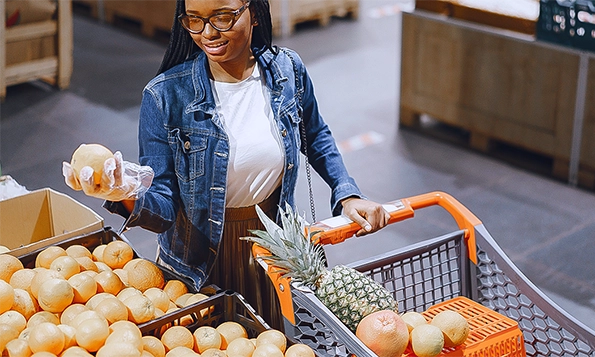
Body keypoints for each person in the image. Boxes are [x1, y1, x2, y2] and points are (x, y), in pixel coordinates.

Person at [62, 0, 390, 330]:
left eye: (222, 17)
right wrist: (124, 191)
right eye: (194, 20)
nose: (208, 33)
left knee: (277, 344)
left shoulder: (288, 71)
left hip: (273, 254)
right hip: (198, 266)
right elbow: (163, 209)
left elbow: (315, 134)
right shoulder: (165, 96)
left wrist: (347, 194)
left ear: (255, 13)